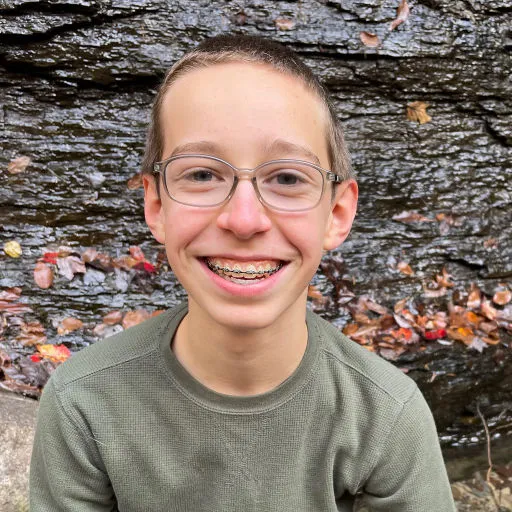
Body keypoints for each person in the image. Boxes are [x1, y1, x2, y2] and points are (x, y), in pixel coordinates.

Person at [30, 34, 455, 511]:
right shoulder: (82, 404)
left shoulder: (386, 418)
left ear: (336, 213)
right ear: (156, 205)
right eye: (202, 174)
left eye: (288, 178)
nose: (245, 219)